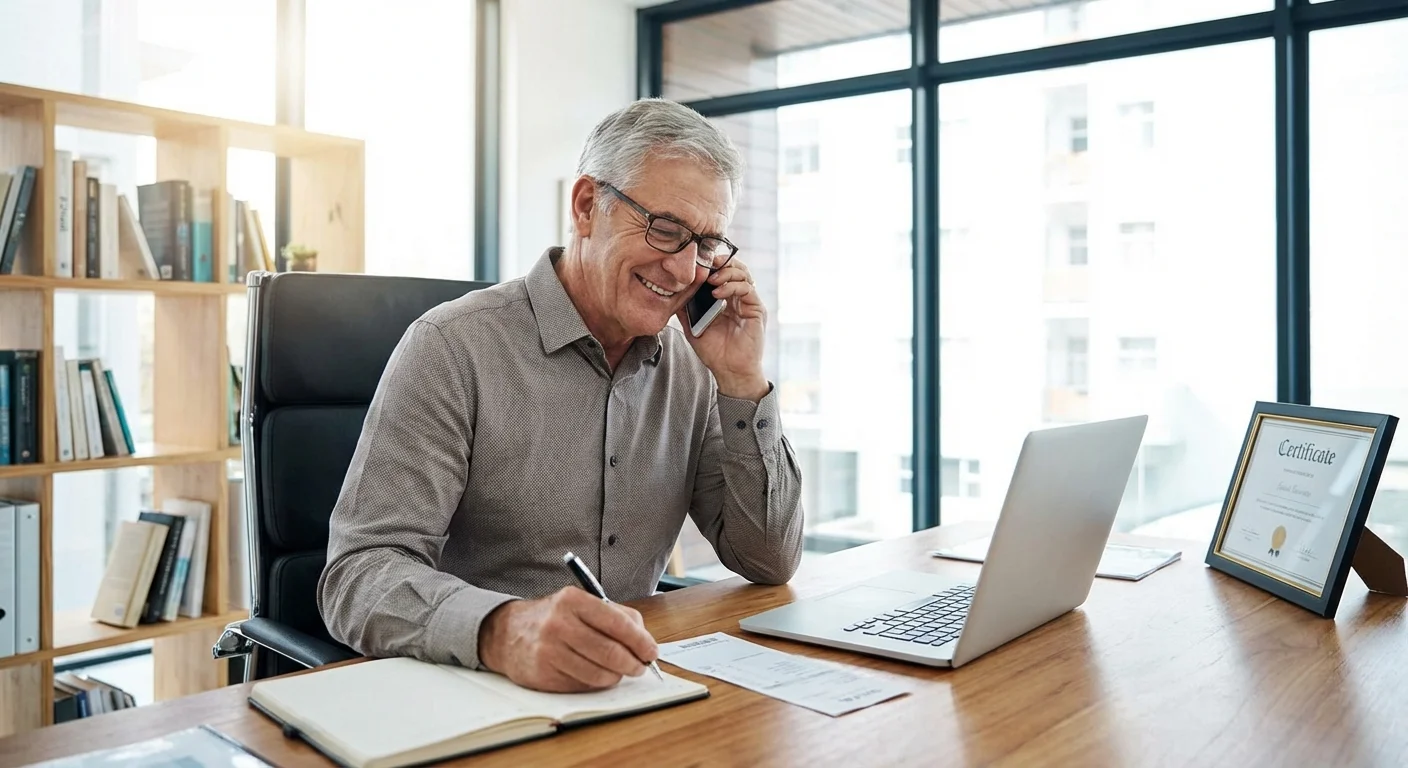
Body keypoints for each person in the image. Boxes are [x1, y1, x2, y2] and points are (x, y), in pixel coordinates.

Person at [317, 98, 805, 693]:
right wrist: (502, 629)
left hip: (628, 688)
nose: (682, 271)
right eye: (666, 229)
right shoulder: (451, 347)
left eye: (704, 244)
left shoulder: (696, 368)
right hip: (475, 687)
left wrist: (744, 382)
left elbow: (769, 560)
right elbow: (357, 576)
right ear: (585, 207)